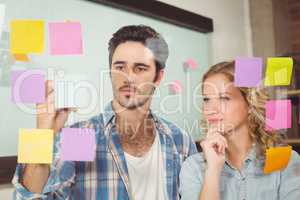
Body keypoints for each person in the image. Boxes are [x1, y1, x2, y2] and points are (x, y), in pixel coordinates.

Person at [12, 25, 197, 200]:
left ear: (158, 77)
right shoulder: (80, 137)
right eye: (120, 67)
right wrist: (42, 135)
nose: (128, 77)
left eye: (140, 68)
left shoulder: (180, 140)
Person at [179, 61, 300, 200]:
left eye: (224, 98)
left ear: (250, 103)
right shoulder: (193, 167)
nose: (211, 109)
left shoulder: (286, 161)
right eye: (207, 99)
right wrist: (212, 171)